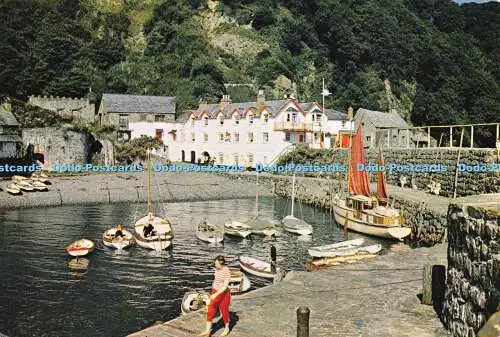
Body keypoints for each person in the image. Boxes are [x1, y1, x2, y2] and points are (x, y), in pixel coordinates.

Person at [199, 255, 231, 337]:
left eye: (216, 263)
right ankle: (207, 331)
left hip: (223, 293)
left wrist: (215, 294)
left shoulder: (226, 271)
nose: (215, 265)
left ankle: (227, 328)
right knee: (210, 308)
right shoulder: (216, 269)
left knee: (224, 310)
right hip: (215, 291)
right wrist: (212, 291)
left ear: (221, 263)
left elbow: (225, 286)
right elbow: (215, 280)